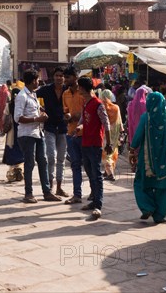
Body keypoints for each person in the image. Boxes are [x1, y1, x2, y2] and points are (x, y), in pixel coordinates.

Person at [128, 92, 166, 224]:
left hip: (146, 160)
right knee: (163, 188)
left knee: (141, 183)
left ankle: (147, 207)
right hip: (165, 160)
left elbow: (138, 136)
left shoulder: (145, 118)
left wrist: (132, 150)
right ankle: (159, 216)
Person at [14, 69, 61, 203]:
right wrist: (36, 119)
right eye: (37, 79)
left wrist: (42, 112)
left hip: (38, 133)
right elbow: (18, 118)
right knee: (29, 164)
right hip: (27, 134)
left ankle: (47, 192)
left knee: (43, 161)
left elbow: (36, 109)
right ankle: (28, 193)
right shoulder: (22, 96)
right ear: (33, 80)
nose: (39, 82)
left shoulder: (33, 94)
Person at [75, 76, 111, 221]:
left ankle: (98, 205)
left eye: (79, 87)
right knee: (90, 173)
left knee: (96, 174)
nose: (78, 89)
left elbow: (106, 123)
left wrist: (108, 143)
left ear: (83, 88)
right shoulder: (86, 103)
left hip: (95, 143)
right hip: (85, 142)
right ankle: (94, 200)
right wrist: (79, 126)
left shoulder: (98, 104)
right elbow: (84, 120)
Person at [36, 67, 69, 197]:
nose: (59, 78)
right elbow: (32, 95)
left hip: (63, 128)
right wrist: (40, 109)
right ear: (53, 77)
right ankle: (49, 188)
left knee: (61, 159)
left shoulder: (68, 90)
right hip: (49, 127)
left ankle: (59, 188)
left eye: (61, 76)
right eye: (57, 75)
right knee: (51, 157)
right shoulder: (46, 89)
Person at [63, 66, 86, 204]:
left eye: (68, 77)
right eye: (65, 77)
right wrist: (66, 116)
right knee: (75, 164)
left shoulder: (84, 92)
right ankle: (77, 194)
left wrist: (77, 116)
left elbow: (90, 110)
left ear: (75, 78)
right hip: (71, 132)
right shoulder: (65, 94)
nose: (65, 80)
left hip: (84, 133)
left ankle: (95, 192)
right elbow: (65, 110)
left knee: (89, 165)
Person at [99, 89, 123, 182]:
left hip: (105, 133)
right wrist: (121, 130)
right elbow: (120, 120)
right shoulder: (116, 107)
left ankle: (110, 174)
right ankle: (107, 171)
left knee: (106, 154)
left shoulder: (101, 107)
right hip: (115, 134)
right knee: (113, 151)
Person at [2, 88, 24, 182]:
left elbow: (4, 118)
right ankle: (20, 169)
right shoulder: (23, 104)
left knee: (12, 150)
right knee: (22, 151)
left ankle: (13, 171)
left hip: (12, 132)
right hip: (22, 131)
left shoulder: (9, 105)